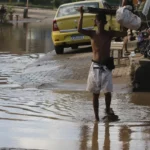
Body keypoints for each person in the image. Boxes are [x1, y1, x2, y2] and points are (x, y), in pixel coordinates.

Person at [78, 6, 127, 121]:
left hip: (106, 67)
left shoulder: (109, 34)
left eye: (102, 20)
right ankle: (96, 118)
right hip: (95, 67)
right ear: (95, 22)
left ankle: (107, 111)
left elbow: (123, 33)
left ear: (105, 22)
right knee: (95, 93)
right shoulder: (92, 34)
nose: (99, 23)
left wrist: (121, 19)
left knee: (107, 92)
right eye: (98, 20)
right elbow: (79, 30)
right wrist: (81, 14)